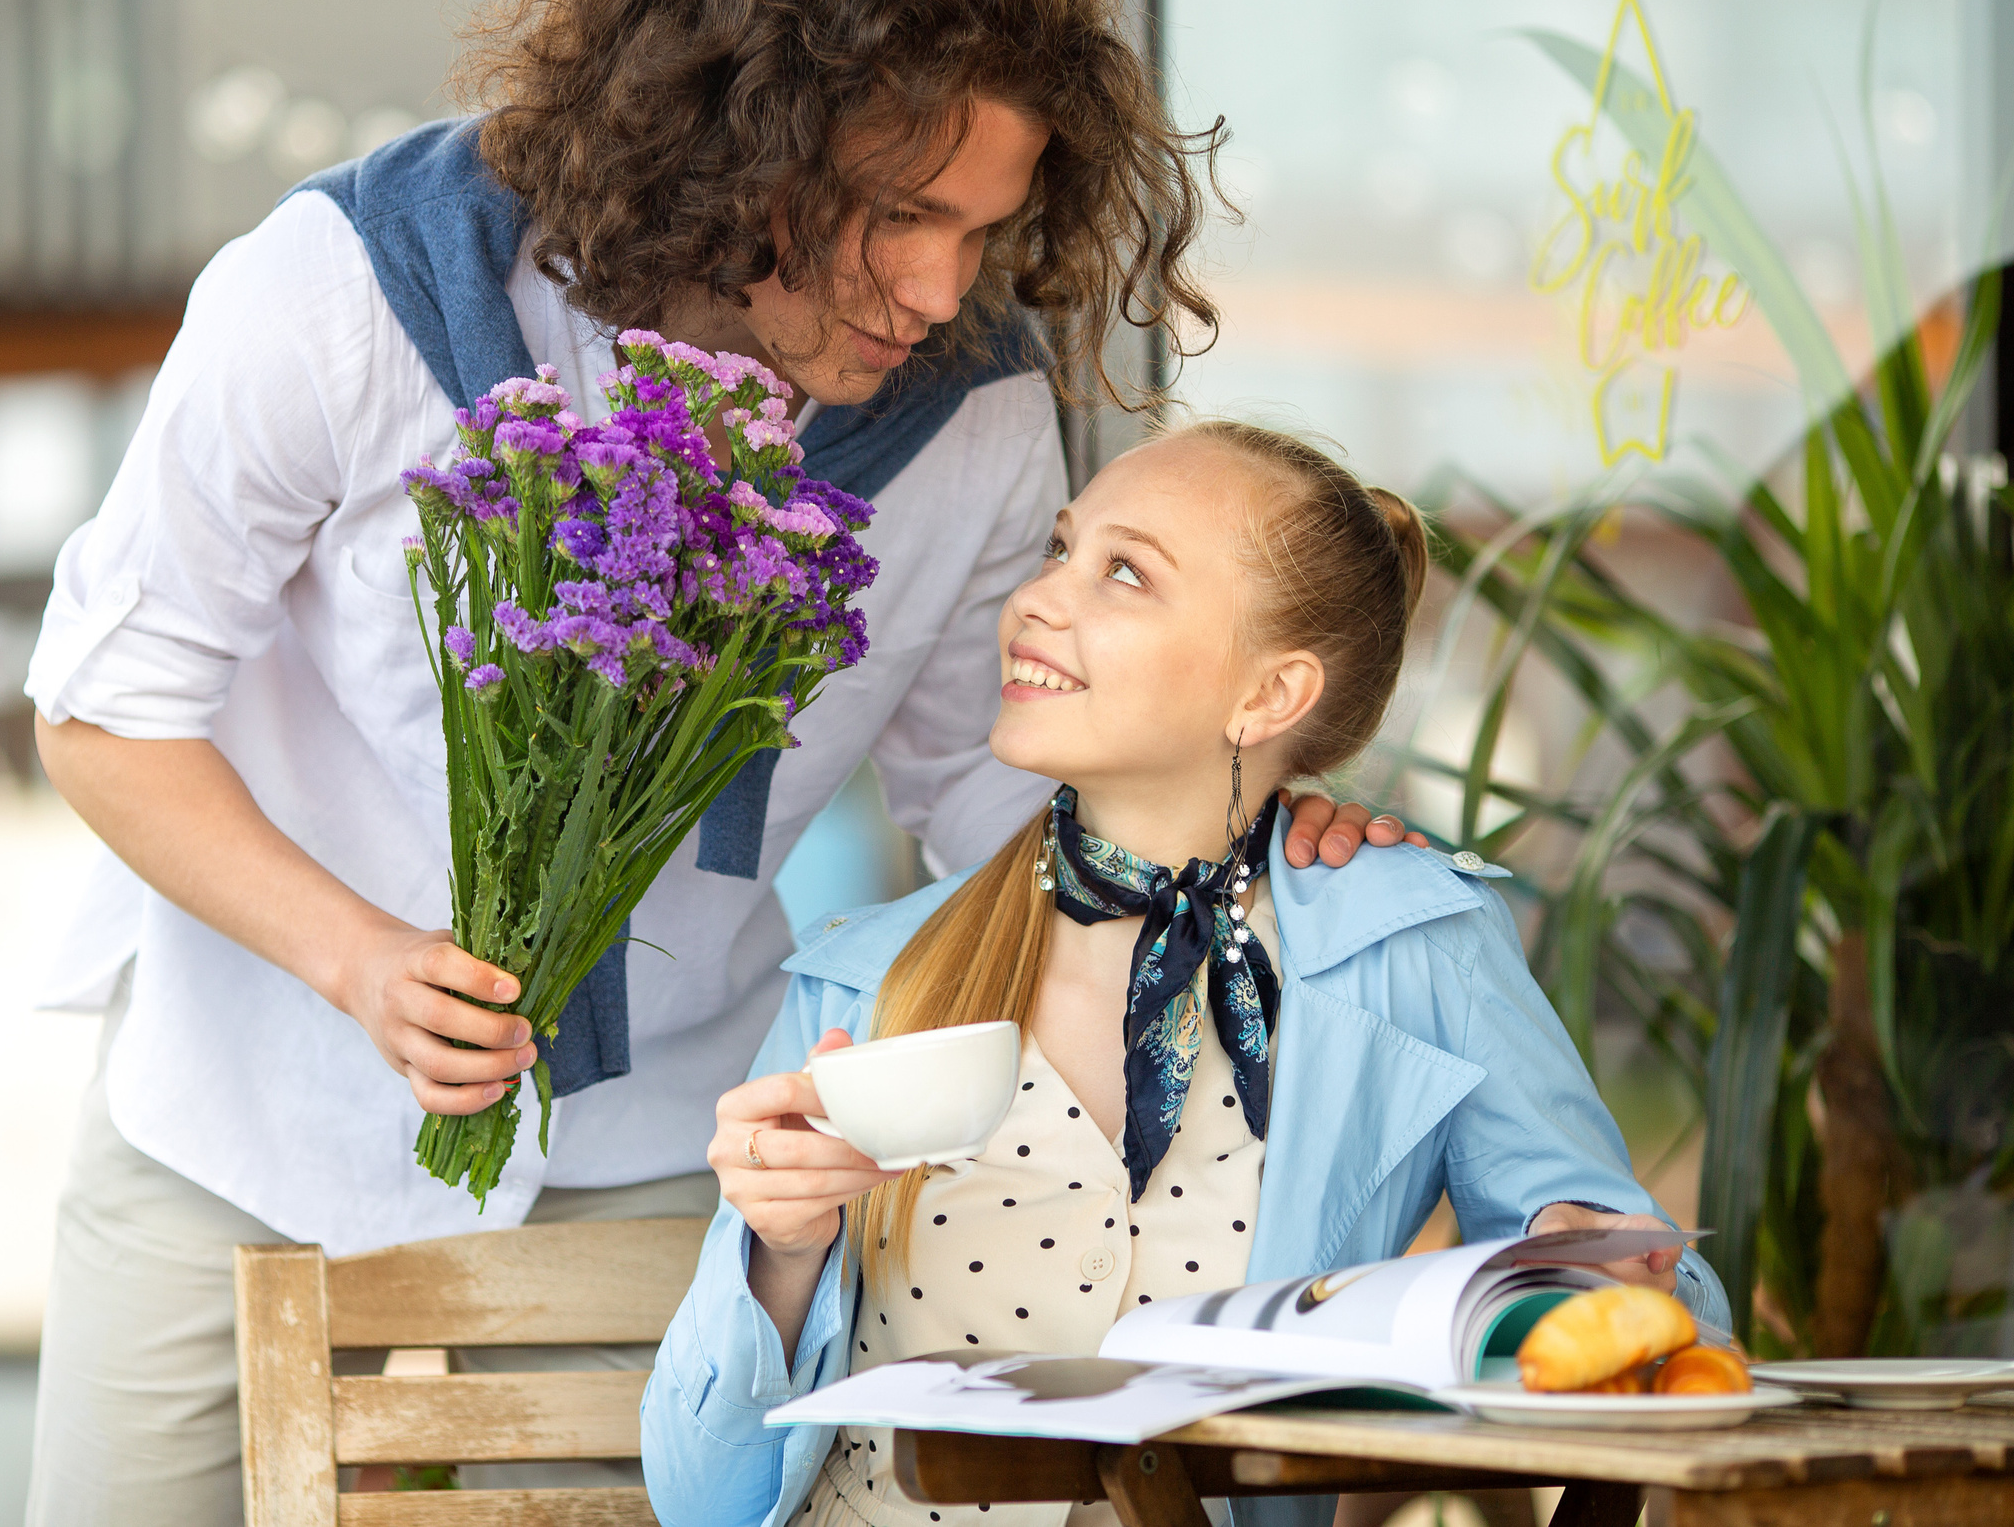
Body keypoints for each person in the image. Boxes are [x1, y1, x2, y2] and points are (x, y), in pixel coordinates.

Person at [19, 0, 1406, 1520]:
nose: (941, 289)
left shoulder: (975, 418)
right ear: (728, 138)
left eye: (981, 227)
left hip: (659, 1145)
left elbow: (1007, 811)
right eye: (898, 218)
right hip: (237, 1124)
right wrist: (364, 962)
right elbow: (104, 708)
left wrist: (1249, 849)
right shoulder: (343, 292)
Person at [641, 421, 1730, 1527]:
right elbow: (702, 1505)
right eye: (1058, 551)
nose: (1035, 599)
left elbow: (1668, 1311)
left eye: (1121, 572)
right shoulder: (863, 978)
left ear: (1267, 697)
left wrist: (1575, 1263)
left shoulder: (1409, 946)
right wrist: (779, 1255)